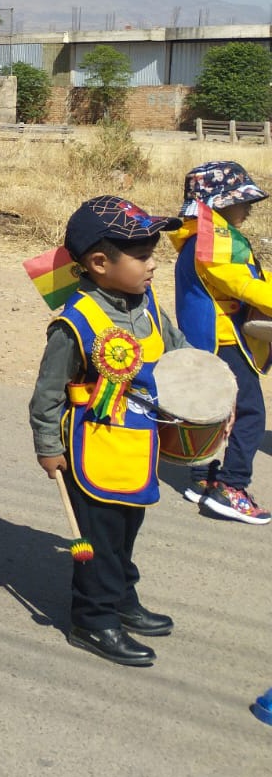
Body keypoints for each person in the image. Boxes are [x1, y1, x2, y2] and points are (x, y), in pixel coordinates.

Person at [28, 195, 187, 667]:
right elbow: (47, 393)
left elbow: (177, 353)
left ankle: (122, 598)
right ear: (99, 262)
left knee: (126, 529)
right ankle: (93, 619)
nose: (153, 265)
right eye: (142, 256)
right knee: (97, 538)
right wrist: (47, 446)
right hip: (91, 449)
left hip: (138, 444)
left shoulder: (147, 304)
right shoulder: (74, 322)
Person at [169, 161, 272, 524]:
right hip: (224, 342)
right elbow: (241, 284)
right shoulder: (211, 242)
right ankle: (231, 487)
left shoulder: (205, 238)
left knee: (213, 411)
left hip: (212, 341)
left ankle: (203, 478)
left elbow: (247, 277)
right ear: (220, 204)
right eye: (243, 202)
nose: (248, 209)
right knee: (249, 414)